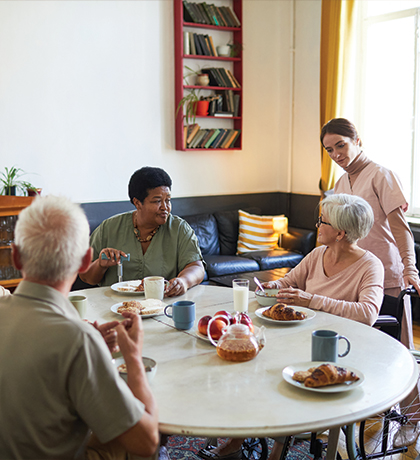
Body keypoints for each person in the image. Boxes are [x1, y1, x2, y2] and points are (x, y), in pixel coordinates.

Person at [199, 194, 384, 460]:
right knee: (252, 363)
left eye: (323, 221)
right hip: (299, 336)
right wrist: (276, 287)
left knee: (274, 372)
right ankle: (239, 435)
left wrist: (311, 300)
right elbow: (290, 282)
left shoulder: (370, 266)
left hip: (339, 348)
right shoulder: (319, 253)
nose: (317, 225)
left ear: (341, 233)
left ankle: (269, 448)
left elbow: (367, 314)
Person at [0, 195, 159, 459]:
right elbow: (146, 441)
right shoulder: (77, 340)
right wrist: (133, 358)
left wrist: (93, 349)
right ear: (86, 260)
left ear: (16, 257)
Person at [321, 118, 420, 447]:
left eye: (340, 145)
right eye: (329, 149)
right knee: (354, 344)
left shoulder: (381, 174)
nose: (336, 153)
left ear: (357, 140)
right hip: (354, 270)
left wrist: (411, 268)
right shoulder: (340, 180)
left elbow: (400, 227)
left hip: (387, 272)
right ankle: (348, 410)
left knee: (398, 347)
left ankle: (413, 416)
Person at [80, 166, 205, 297]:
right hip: (114, 307)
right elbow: (86, 277)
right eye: (157, 201)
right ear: (137, 203)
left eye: (168, 200)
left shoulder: (179, 228)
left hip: (163, 306)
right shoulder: (108, 228)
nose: (165, 207)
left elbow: (197, 267)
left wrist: (183, 281)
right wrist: (100, 265)